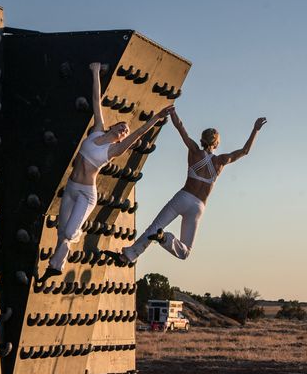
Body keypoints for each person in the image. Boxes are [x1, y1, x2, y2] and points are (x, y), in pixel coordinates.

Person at [43, 62, 173, 279]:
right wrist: (95, 72)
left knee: (69, 231)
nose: (124, 130)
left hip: (86, 194)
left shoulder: (113, 150)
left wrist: (157, 117)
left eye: (125, 132)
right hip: (72, 188)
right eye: (122, 126)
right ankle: (55, 266)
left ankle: (71, 240)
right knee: (60, 232)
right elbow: (96, 100)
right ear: (113, 126)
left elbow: (139, 132)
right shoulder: (96, 131)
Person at [110, 111, 267, 264]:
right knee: (185, 252)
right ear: (216, 143)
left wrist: (172, 112)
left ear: (201, 141)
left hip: (183, 197)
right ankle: (165, 239)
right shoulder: (221, 161)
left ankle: (127, 256)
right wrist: (255, 129)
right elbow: (245, 151)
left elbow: (180, 127)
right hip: (198, 206)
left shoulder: (194, 151)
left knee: (154, 227)